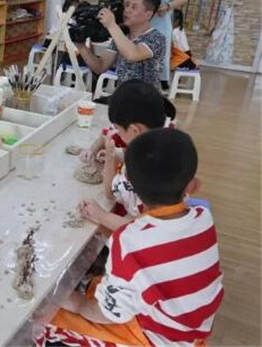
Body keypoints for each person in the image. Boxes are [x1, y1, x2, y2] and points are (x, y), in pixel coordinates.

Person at [36, 129, 224, 347]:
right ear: (193, 186)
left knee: (46, 322)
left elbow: (110, 314)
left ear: (131, 188)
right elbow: (157, 250)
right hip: (190, 327)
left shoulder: (130, 241)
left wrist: (77, 305)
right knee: (98, 286)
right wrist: (107, 230)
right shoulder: (203, 218)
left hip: (159, 339)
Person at [79, 81, 172, 230]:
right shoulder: (166, 135)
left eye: (118, 129)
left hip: (152, 235)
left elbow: (110, 194)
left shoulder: (143, 170)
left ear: (134, 130)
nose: (116, 133)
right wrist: (118, 153)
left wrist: (101, 215)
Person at [122, 0, 190, 88]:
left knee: (156, 60)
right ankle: (126, 87)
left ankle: (155, 91)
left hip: (161, 20)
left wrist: (168, 5)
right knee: (132, 53)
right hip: (137, 21)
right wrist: (133, 7)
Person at [77, 0, 166, 88]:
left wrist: (111, 25)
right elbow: (100, 67)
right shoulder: (122, 36)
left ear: (148, 15)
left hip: (145, 100)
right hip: (123, 96)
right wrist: (81, 46)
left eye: (134, 7)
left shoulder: (157, 38)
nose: (127, 10)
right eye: (127, 5)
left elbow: (133, 54)